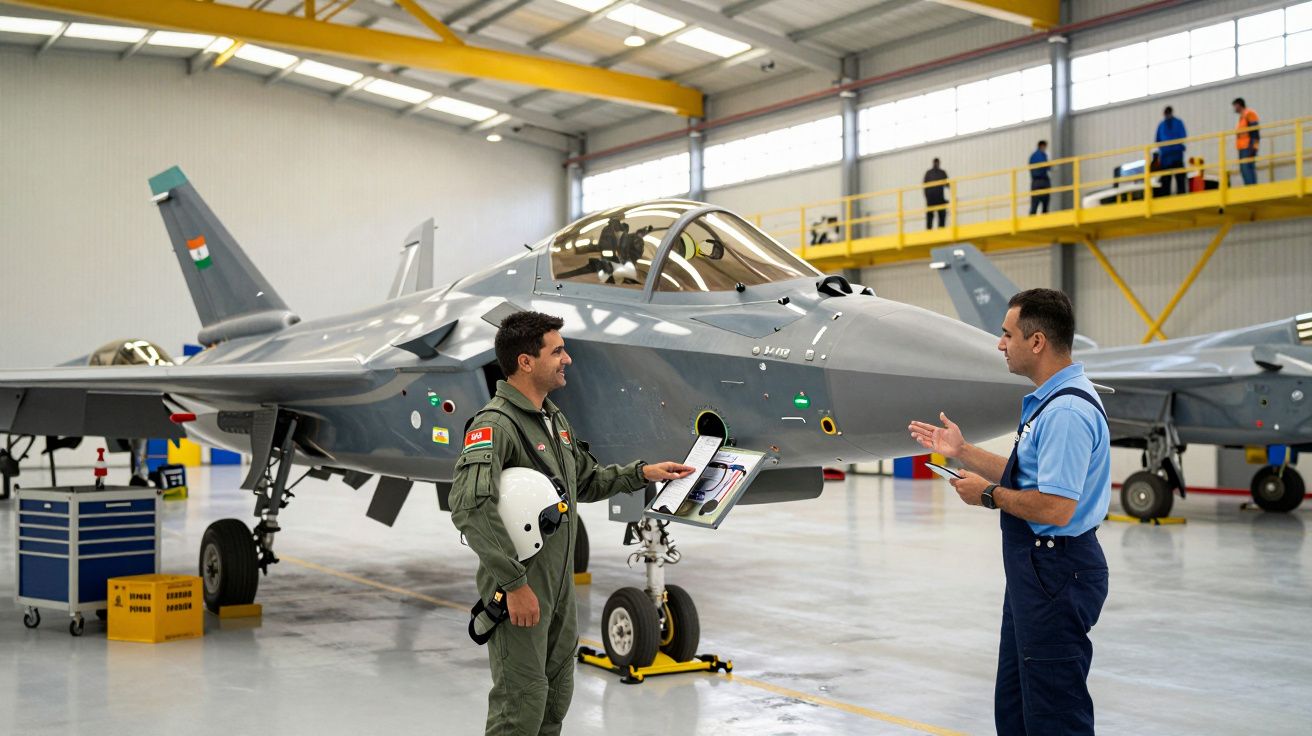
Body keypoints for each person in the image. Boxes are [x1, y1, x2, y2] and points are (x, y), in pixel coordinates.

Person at [450, 311, 694, 736]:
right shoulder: (495, 426)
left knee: (554, 701)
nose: (568, 360)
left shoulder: (553, 420)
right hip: (522, 588)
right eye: (558, 351)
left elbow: (585, 480)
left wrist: (644, 473)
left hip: (559, 588)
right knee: (519, 709)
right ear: (526, 362)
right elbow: (471, 508)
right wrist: (515, 586)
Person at [908, 288, 1111, 736]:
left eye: (1006, 334)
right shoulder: (1051, 402)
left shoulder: (1067, 412)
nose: (1000, 344)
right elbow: (1030, 477)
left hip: (1057, 569)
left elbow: (1056, 507)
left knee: (1054, 710)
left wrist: (987, 496)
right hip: (1037, 568)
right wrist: (961, 452)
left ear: (1036, 342)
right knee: (1019, 702)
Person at [1154, 106, 1188, 196]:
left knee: (1179, 177)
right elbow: (1158, 140)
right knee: (1166, 180)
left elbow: (1182, 136)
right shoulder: (1162, 125)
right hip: (1167, 157)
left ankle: (1181, 195)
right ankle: (1168, 196)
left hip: (1175, 156)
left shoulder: (1177, 123)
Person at [1233, 98, 1260, 186]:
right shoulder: (1242, 117)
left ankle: (1251, 188)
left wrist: (1254, 146)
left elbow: (1255, 131)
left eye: (1235, 106)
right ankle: (1249, 187)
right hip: (1242, 147)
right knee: (1244, 169)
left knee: (1247, 168)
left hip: (1248, 146)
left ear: (1239, 105)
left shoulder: (1249, 114)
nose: (1234, 108)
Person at [923, 158, 949, 229]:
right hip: (935, 198)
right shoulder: (941, 173)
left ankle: (931, 229)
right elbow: (947, 185)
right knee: (936, 214)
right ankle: (937, 228)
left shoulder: (929, 173)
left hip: (934, 199)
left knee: (934, 214)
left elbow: (947, 184)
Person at [1028, 141, 1050, 215]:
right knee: (1045, 203)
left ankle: (1031, 218)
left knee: (1034, 203)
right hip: (1043, 181)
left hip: (1035, 182)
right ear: (1042, 146)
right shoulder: (1042, 155)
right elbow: (1046, 166)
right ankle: (1045, 217)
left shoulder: (1033, 156)